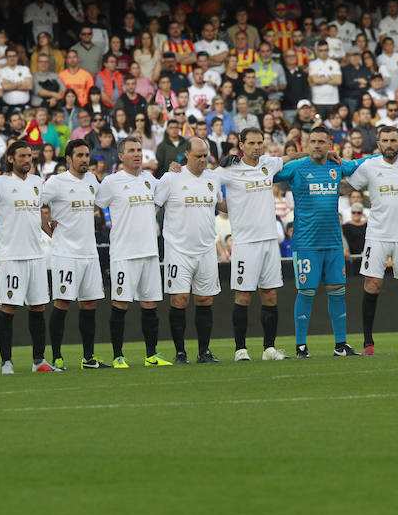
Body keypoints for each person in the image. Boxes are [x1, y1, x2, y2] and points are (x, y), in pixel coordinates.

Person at [216, 128, 307, 361]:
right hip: (245, 242)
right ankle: (240, 350)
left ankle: (269, 349)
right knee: (243, 296)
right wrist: (224, 205)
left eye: (260, 142)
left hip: (269, 241)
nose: (257, 147)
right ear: (241, 144)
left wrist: (315, 153)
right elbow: (207, 184)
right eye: (253, 143)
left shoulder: (268, 163)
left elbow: (291, 158)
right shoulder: (229, 170)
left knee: (270, 295)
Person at [274, 126, 365, 358]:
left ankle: (340, 345)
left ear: (329, 144)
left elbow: (363, 164)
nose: (316, 145)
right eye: (312, 141)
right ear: (308, 144)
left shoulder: (337, 166)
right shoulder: (296, 167)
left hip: (333, 242)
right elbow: (266, 172)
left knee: (337, 290)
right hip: (306, 243)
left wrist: (391, 154)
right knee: (306, 291)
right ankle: (301, 346)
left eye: (321, 141)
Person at [347, 126, 398, 354]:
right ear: (378, 144)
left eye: (394, 140)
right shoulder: (369, 166)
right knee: (373, 284)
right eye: (385, 140)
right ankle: (368, 343)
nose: (390, 144)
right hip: (377, 235)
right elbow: (350, 186)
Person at [94, 137, 171, 368]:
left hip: (149, 251)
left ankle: (152, 355)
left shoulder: (150, 179)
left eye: (139, 150)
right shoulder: (111, 182)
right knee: (121, 304)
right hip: (124, 253)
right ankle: (118, 355)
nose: (137, 154)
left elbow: (167, 192)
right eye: (131, 151)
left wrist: (175, 171)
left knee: (150, 305)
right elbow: (95, 204)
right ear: (121, 156)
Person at [154, 137, 224, 364]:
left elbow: (221, 205)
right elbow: (153, 206)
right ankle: (180, 351)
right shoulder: (171, 178)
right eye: (199, 156)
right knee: (180, 299)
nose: (203, 160)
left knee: (205, 300)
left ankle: (204, 351)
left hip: (206, 249)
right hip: (178, 250)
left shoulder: (213, 178)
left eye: (206, 156)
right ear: (186, 155)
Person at [40, 140, 108, 370]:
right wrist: (47, 228)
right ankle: (57, 357)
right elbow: (35, 205)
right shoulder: (56, 183)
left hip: (90, 253)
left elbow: (105, 200)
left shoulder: (92, 180)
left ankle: (88, 358)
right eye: (79, 155)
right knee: (62, 302)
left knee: (90, 305)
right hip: (65, 254)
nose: (84, 159)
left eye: (87, 155)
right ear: (68, 158)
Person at [0, 141, 53, 374]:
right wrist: (1, 222)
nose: (28, 159)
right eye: (22, 156)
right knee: (9, 307)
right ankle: (6, 362)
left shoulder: (37, 183)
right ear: (11, 159)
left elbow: (39, 213)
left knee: (38, 307)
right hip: (12, 255)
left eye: (30, 156)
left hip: (36, 254)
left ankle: (39, 361)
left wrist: (49, 230)